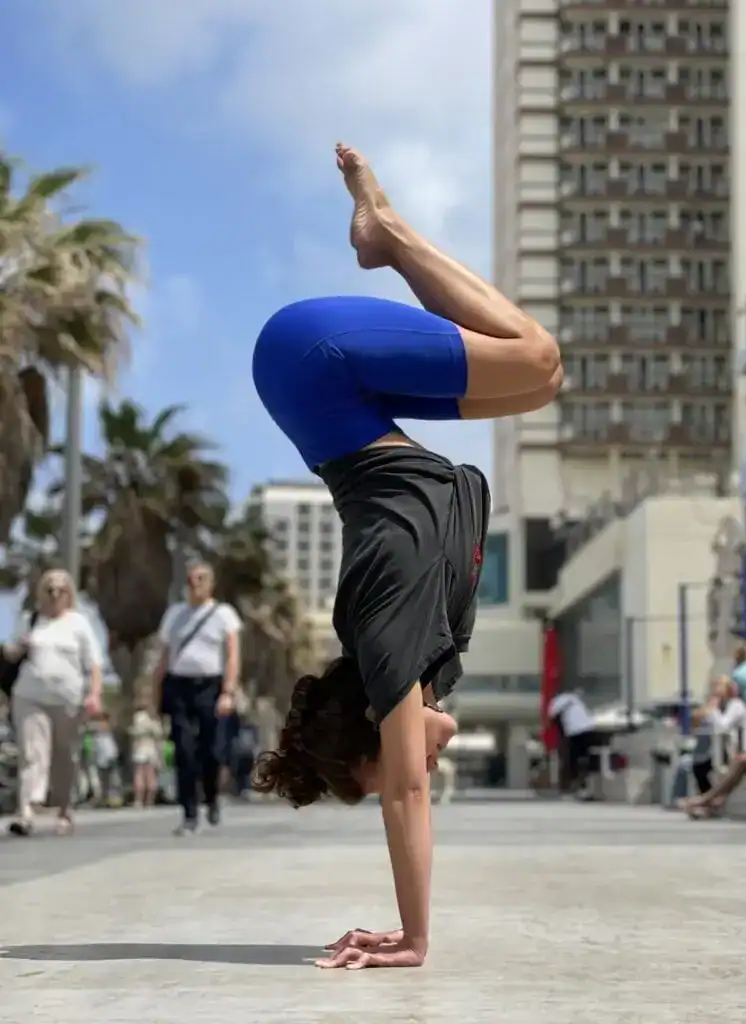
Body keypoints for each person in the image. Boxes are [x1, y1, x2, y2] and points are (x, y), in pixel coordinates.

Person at [250, 144, 561, 971]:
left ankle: (385, 228)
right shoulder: (423, 658)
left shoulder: (385, 639)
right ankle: (384, 239)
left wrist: (413, 938)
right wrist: (420, 728)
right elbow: (438, 730)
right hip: (340, 405)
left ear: (372, 730)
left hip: (310, 363)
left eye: (381, 768)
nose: (408, 770)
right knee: (536, 381)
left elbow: (411, 795)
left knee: (535, 358)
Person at [4, 569, 103, 836]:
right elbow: (12, 654)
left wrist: (94, 694)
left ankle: (64, 810)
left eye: (60, 589)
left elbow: (94, 663)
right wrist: (16, 648)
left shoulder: (78, 623)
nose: (54, 594)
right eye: (49, 589)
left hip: (68, 700)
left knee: (66, 756)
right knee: (31, 752)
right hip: (30, 696)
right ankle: (26, 810)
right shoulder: (30, 620)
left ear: (69, 594)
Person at [153, 561, 242, 835]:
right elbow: (164, 657)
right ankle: (189, 814)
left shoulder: (223, 614)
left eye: (202, 578)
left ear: (211, 583)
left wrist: (228, 691)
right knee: (183, 750)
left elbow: (232, 655)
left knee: (211, 751)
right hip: (179, 687)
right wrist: (154, 694)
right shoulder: (175, 614)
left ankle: (212, 797)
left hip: (211, 688)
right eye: (192, 578)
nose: (196, 583)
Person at [679, 675, 746, 819]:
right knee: (702, 766)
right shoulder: (725, 706)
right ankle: (709, 804)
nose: (715, 693)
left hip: (744, 750)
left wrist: (712, 711)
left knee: (716, 768)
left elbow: (722, 726)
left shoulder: (736, 704)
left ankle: (706, 801)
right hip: (728, 750)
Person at [546, 690, 600, 796]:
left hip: (575, 732)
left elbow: (554, 718)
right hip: (587, 729)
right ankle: (583, 785)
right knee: (583, 758)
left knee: (572, 760)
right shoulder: (574, 700)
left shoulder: (559, 702)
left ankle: (576, 786)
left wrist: (562, 735)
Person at [129, 701, 163, 807]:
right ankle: (148, 800)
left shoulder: (140, 717)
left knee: (142, 774)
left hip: (143, 748)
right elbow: (159, 734)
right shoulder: (152, 720)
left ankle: (140, 800)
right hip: (149, 748)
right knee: (148, 775)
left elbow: (136, 731)